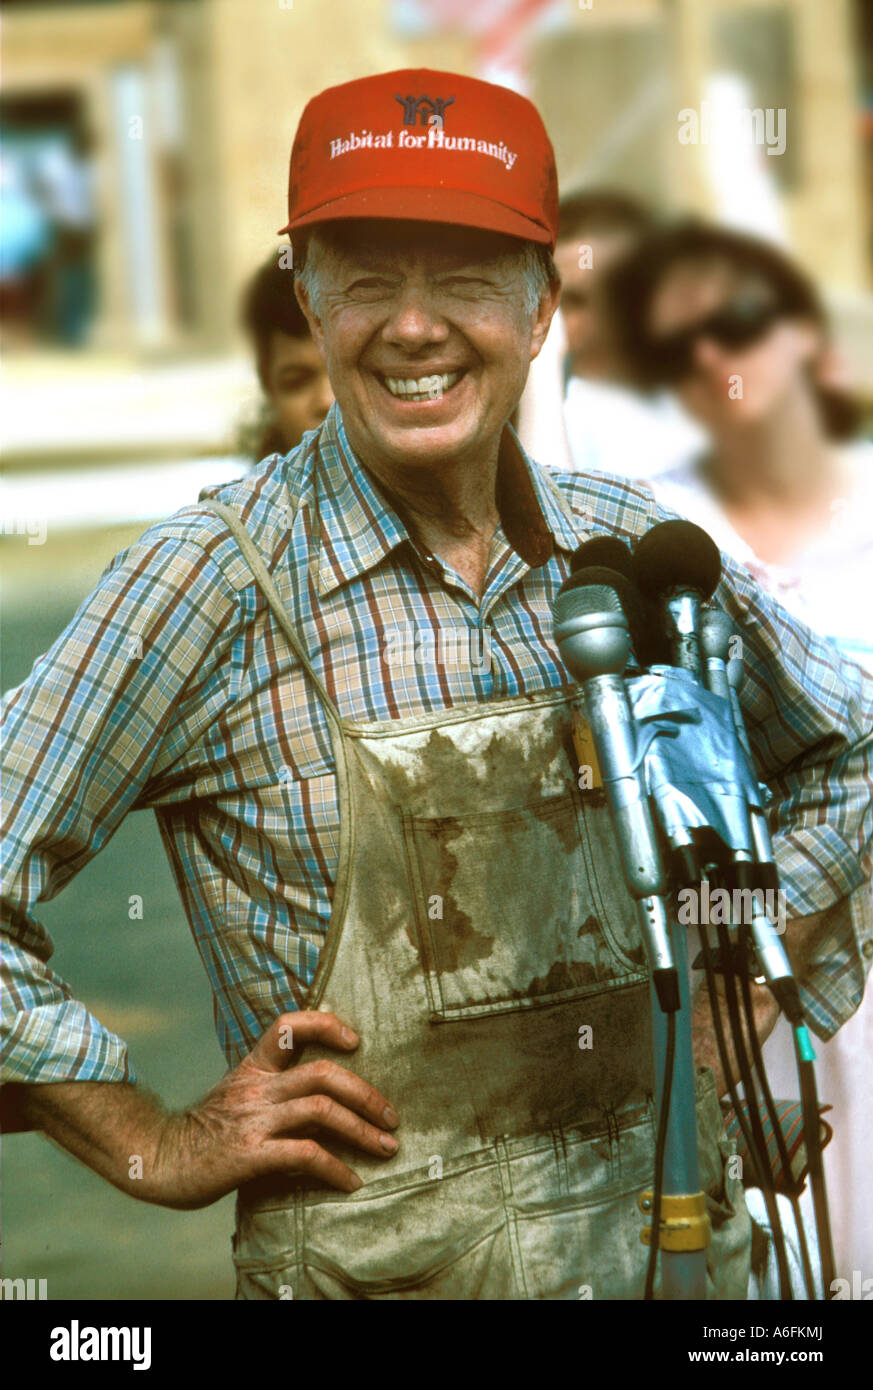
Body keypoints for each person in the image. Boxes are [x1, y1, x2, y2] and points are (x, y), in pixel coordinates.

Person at [2, 70, 871, 1302]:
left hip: (682, 1268)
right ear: (305, 291)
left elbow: (855, 749)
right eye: (367, 276)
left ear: (542, 303)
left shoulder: (630, 556)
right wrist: (153, 1139)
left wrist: (734, 963)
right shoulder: (217, 581)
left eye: (465, 276)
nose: (416, 328)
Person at [605, 218, 873, 1284]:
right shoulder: (664, 532)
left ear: (809, 334)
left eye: (740, 321)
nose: (716, 358)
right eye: (680, 350)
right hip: (749, 974)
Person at [516, 189, 705, 478]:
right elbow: (547, 511)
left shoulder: (710, 390)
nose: (602, 320)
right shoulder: (549, 416)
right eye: (573, 301)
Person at [238, 251, 333, 459]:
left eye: (341, 374)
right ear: (268, 385)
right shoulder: (253, 491)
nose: (326, 401)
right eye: (297, 382)